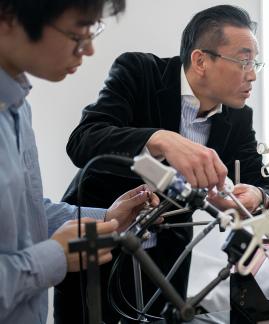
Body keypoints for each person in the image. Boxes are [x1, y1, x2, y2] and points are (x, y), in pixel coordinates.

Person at [55, 5, 269, 323]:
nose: (253, 74)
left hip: (166, 265)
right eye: (243, 61)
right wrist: (159, 139)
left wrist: (258, 197)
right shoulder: (140, 73)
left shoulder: (237, 117)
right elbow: (83, 141)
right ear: (201, 60)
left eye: (255, 62)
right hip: (98, 249)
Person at [0, 0, 161, 323]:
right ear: (8, 19)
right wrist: (54, 257)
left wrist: (109, 217)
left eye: (92, 32)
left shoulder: (18, 108)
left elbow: (26, 214)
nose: (87, 51)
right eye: (77, 34)